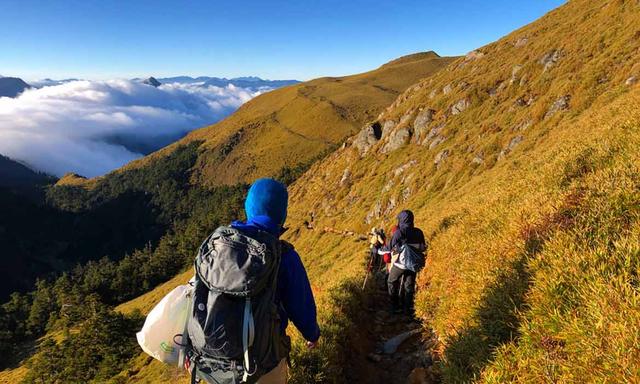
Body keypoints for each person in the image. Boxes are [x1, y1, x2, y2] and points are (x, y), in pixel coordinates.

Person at [190, 178, 320, 384]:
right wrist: (312, 334)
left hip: (213, 362)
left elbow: (197, 292)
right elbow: (301, 306)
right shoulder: (283, 256)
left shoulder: (219, 246)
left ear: (249, 207)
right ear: (281, 214)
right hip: (262, 365)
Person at [387, 210, 427, 316]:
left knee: (391, 281)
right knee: (409, 285)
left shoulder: (399, 232)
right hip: (413, 264)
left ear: (401, 220)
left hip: (401, 263)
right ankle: (407, 309)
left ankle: (394, 306)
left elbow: (389, 247)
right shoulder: (419, 232)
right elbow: (423, 247)